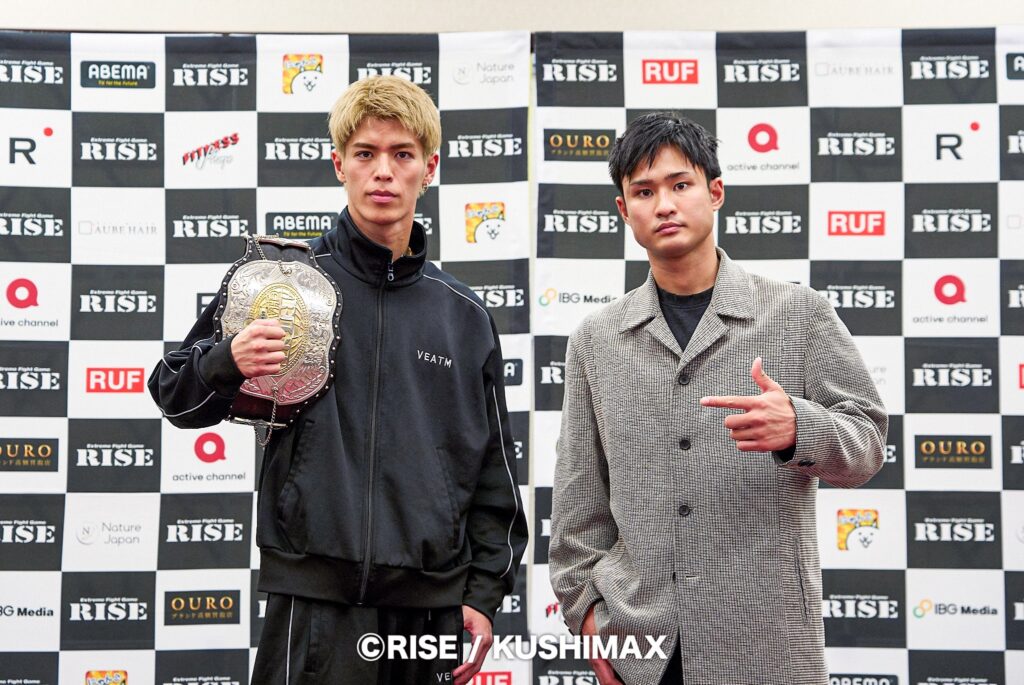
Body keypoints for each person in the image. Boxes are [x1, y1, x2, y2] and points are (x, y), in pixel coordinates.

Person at [150, 75, 528, 685]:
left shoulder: (463, 315)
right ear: (339, 165)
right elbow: (174, 396)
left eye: (402, 155)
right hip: (313, 604)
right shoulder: (281, 282)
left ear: (430, 168)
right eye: (365, 154)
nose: (383, 172)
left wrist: (483, 596)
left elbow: (494, 471)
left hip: (428, 611)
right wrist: (226, 360)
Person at [548, 112, 887, 685]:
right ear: (623, 210)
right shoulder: (597, 340)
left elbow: (869, 445)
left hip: (767, 640)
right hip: (642, 649)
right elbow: (578, 502)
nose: (664, 205)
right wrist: (587, 616)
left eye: (680, 184)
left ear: (716, 192)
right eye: (644, 192)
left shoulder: (798, 314)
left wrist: (799, 427)